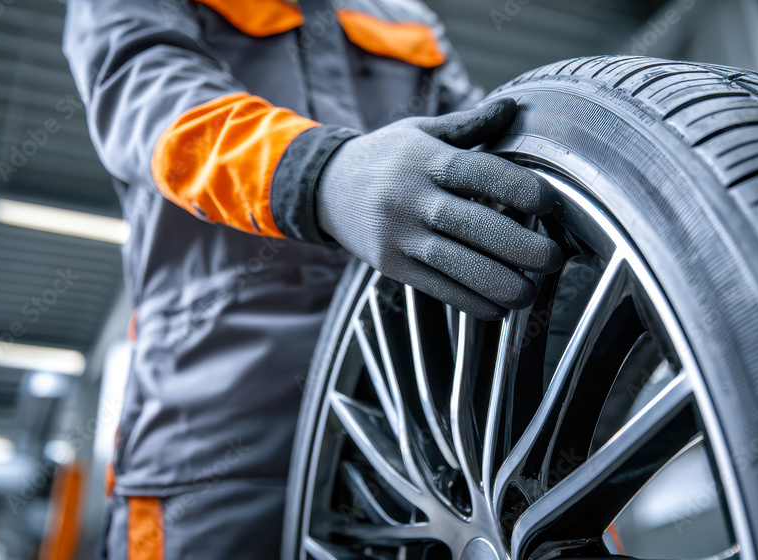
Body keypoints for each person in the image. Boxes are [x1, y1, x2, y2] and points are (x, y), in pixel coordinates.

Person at [63, 0, 562, 556]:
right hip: (213, 443)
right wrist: (318, 171)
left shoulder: (403, 13)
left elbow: (485, 136)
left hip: (412, 445)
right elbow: (146, 95)